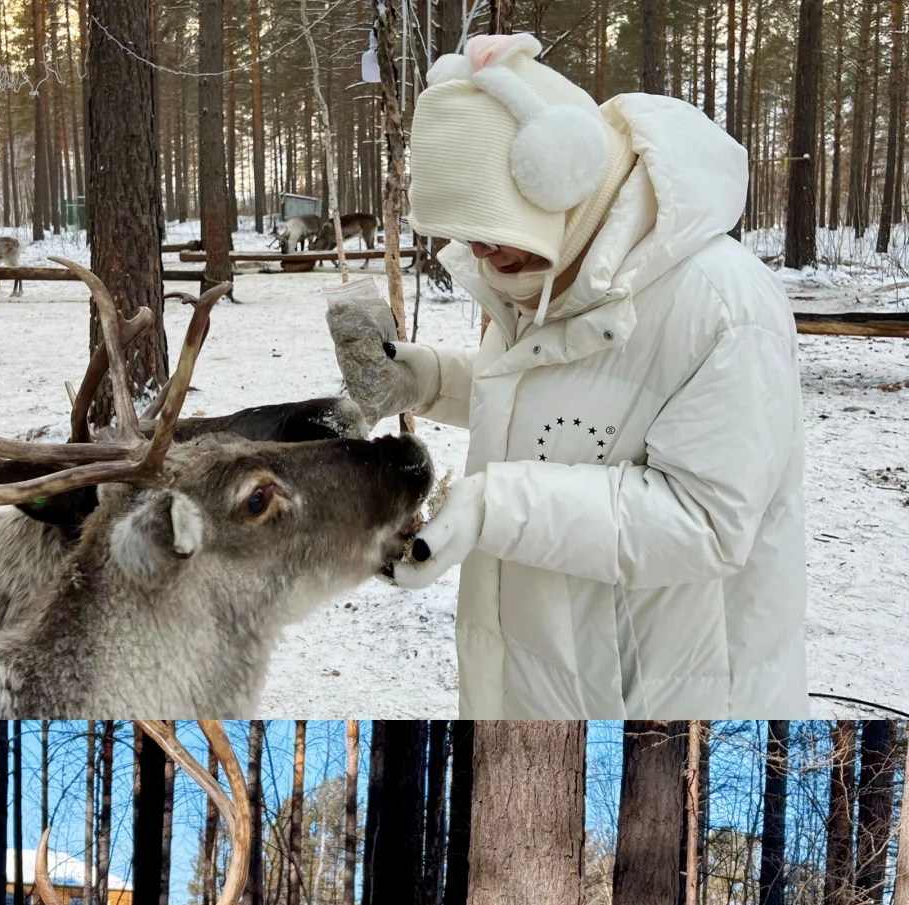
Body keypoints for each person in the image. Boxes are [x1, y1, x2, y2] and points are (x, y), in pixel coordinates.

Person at [327, 32, 807, 720]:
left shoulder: (723, 306)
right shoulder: (545, 271)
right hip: (539, 674)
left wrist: (495, 509)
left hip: (671, 690)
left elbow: (706, 521)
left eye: (492, 228)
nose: (482, 252)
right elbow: (556, 404)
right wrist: (424, 380)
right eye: (467, 235)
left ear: (563, 176)